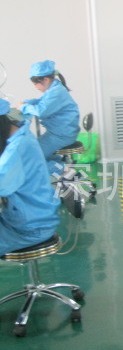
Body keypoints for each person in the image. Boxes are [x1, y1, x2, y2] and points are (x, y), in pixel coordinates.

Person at [0, 98, 60, 255]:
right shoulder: (19, 132)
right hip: (28, 217)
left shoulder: (15, 150)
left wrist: (26, 106)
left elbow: (2, 184)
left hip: (30, 228)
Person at [21, 60, 80, 175]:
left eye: (35, 83)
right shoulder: (54, 88)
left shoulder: (56, 92)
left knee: (30, 158)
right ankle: (62, 170)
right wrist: (28, 103)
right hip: (60, 133)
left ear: (46, 79)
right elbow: (42, 102)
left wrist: (24, 107)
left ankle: (66, 172)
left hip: (61, 135)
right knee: (36, 153)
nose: (35, 86)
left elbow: (41, 111)